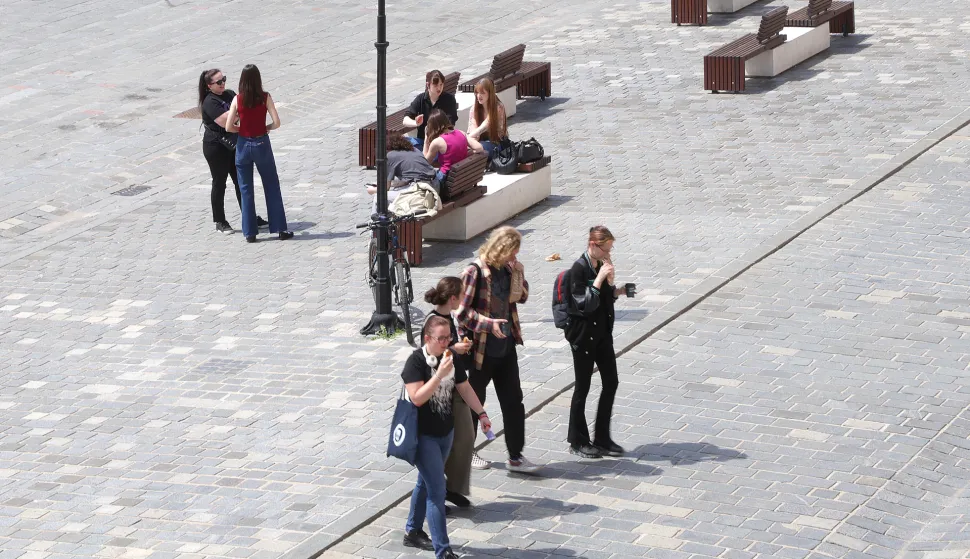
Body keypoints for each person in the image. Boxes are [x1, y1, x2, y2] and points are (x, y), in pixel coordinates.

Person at [401, 315, 491, 559]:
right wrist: (439, 375)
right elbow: (417, 397)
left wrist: (481, 413)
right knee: (437, 491)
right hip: (423, 436)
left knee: (426, 481)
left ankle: (412, 531)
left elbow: (463, 386)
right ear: (427, 338)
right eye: (441, 339)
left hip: (446, 433)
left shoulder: (451, 358)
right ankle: (443, 551)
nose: (446, 343)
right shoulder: (416, 362)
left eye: (448, 337)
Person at [456, 226, 541, 474]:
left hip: (506, 347)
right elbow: (460, 313)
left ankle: (516, 456)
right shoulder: (475, 271)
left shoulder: (507, 268)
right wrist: (487, 324)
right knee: (474, 402)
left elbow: (520, 298)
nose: (514, 257)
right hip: (480, 351)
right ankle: (466, 451)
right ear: (501, 248)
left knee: (514, 401)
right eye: (512, 252)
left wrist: (519, 275)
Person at [565, 226, 627, 458]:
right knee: (582, 387)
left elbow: (603, 299)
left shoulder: (599, 264)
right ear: (593, 245)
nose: (608, 254)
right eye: (606, 249)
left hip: (602, 335)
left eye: (610, 249)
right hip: (583, 338)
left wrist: (615, 289)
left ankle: (602, 436)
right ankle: (577, 440)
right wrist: (600, 280)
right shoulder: (577, 270)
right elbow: (585, 305)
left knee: (611, 382)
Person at [422, 278, 476, 510]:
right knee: (442, 447)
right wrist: (455, 349)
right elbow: (428, 358)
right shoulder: (433, 322)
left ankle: (452, 489)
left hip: (456, 385)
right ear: (452, 298)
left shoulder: (449, 318)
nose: (464, 298)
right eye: (461, 295)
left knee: (464, 439)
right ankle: (436, 494)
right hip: (439, 393)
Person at [224, 64, 293, 243]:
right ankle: (280, 228)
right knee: (271, 185)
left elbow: (228, 126)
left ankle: (250, 233)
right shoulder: (265, 97)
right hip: (262, 142)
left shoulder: (238, 99)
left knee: (245, 189)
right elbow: (277, 122)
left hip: (243, 145)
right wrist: (266, 128)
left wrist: (242, 129)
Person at [197, 68, 267, 233]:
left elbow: (240, 113)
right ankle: (220, 221)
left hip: (235, 144)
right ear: (209, 86)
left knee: (241, 181)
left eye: (224, 80)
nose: (223, 84)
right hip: (216, 148)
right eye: (218, 82)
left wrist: (238, 110)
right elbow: (225, 121)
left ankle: (249, 216)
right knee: (219, 183)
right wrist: (239, 109)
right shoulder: (209, 102)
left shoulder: (229, 94)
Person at [366, 134, 437, 213]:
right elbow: (411, 176)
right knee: (395, 190)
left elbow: (386, 188)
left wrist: (372, 190)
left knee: (378, 198)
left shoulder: (389, 156)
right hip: (434, 186)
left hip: (419, 193)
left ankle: (376, 224)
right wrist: (393, 184)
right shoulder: (414, 149)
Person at [423, 109, 483, 187]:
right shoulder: (461, 133)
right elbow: (479, 148)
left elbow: (424, 163)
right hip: (464, 176)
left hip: (448, 181)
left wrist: (426, 139)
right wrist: (465, 154)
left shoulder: (437, 142)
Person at [403, 70, 459, 151]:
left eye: (441, 84)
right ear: (428, 84)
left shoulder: (449, 99)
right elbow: (405, 120)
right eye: (435, 85)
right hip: (422, 141)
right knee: (403, 144)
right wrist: (416, 123)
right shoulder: (421, 99)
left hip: (440, 143)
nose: (439, 88)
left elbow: (450, 125)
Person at [466, 78, 508, 158]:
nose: (479, 96)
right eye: (477, 93)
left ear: (490, 93)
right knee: (472, 150)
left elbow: (483, 127)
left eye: (482, 93)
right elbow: (474, 132)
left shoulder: (498, 107)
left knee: (477, 149)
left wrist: (463, 140)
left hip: (496, 143)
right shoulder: (474, 109)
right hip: (479, 143)